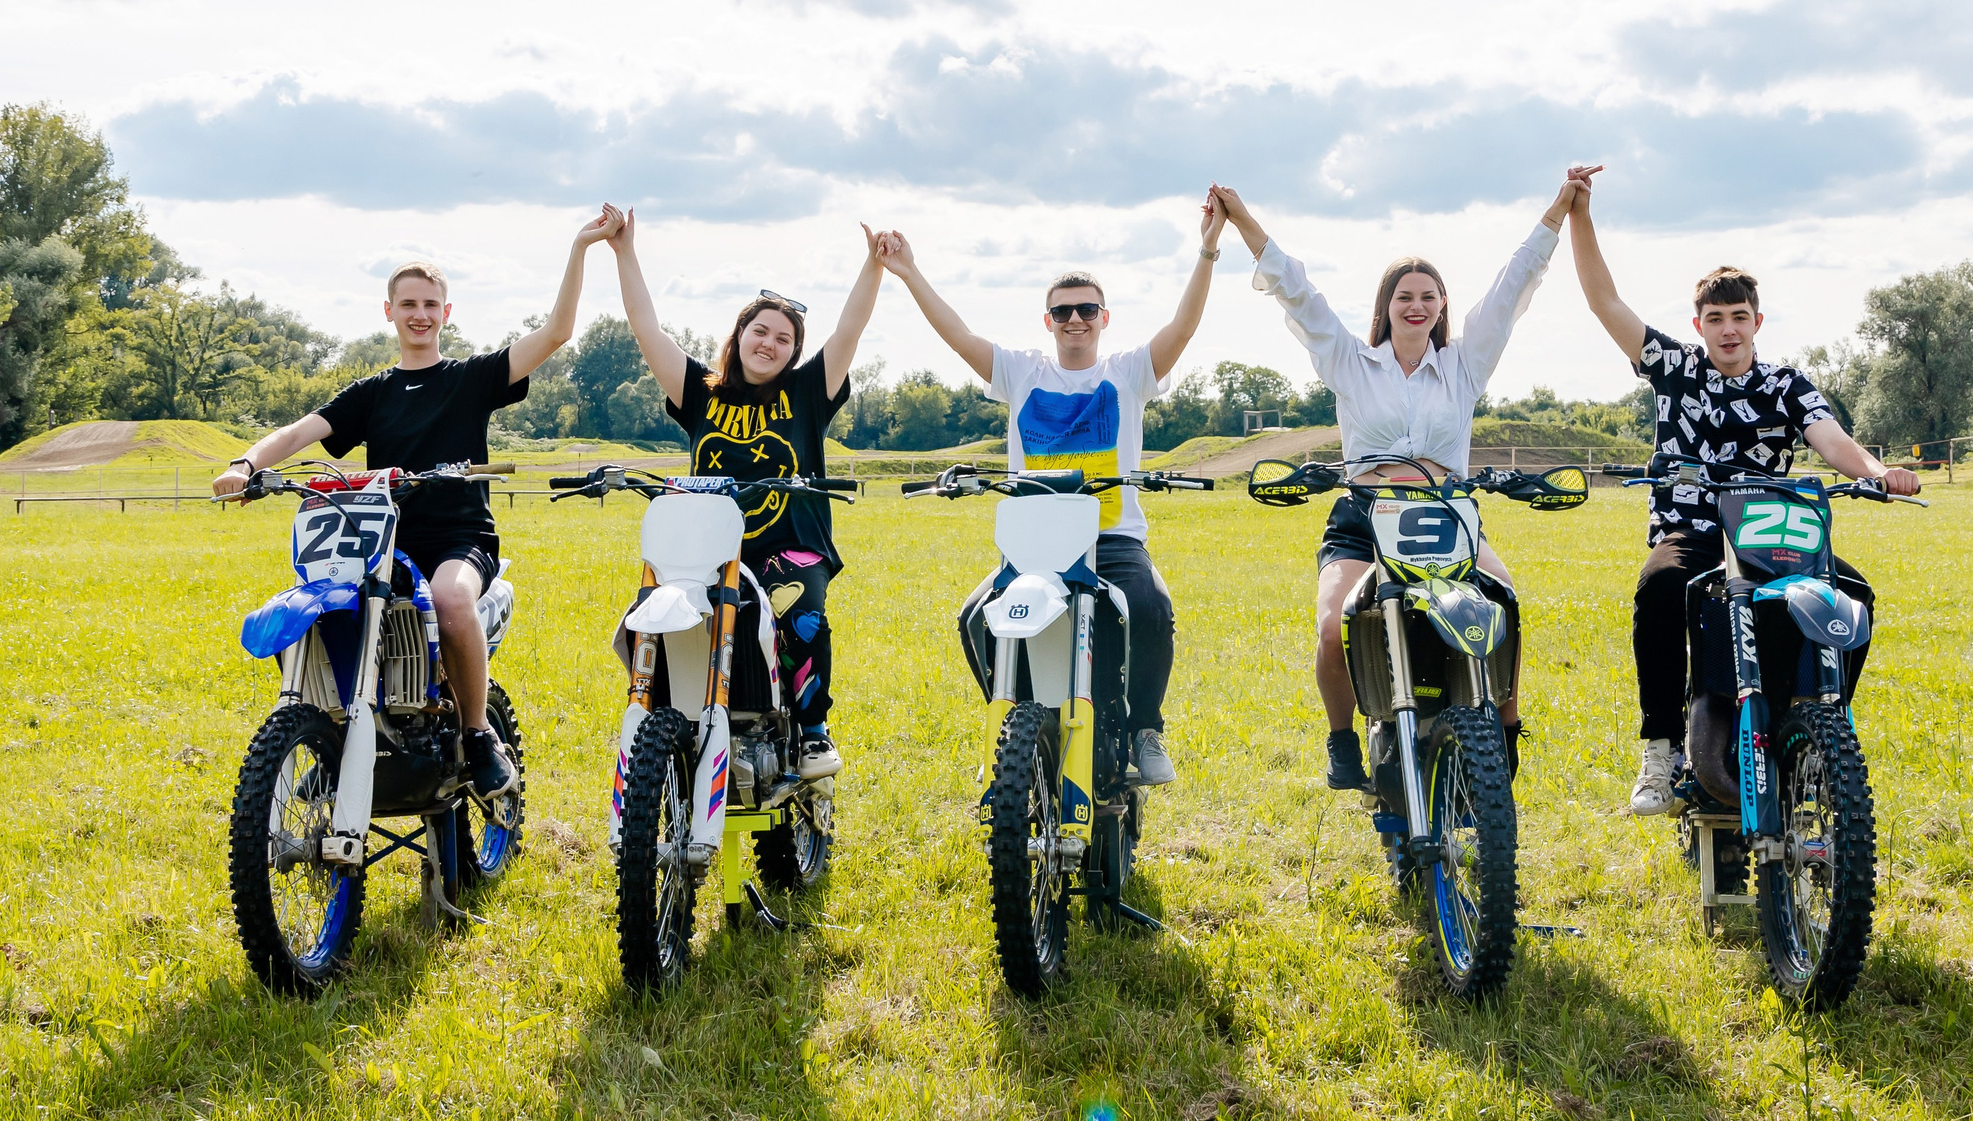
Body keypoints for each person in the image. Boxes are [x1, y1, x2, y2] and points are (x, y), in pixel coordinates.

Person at [1564, 170, 1922, 815]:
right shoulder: (1675, 368)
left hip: (1769, 535)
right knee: (1660, 587)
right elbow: (1603, 301)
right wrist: (1580, 215)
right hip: (1693, 530)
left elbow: (1833, 441)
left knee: (1854, 596)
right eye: (1715, 319)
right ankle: (1663, 750)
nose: (1727, 330)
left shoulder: (1786, 384)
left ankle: (1817, 730)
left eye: (1738, 318)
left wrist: (1876, 473)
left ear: (1757, 321)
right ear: (1698, 324)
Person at [213, 214, 601, 803]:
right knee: (319, 611)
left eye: (430, 304)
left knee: (450, 598)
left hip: (459, 539)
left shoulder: (471, 379)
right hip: (382, 542)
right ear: (389, 311)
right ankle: (335, 737)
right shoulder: (372, 392)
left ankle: (478, 735)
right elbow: (298, 432)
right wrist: (245, 464)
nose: (420, 314)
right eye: (409, 304)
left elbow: (556, 333)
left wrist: (579, 247)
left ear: (447, 313)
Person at [1212, 178, 1578, 791]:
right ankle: (1342, 740)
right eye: (1404, 296)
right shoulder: (1351, 362)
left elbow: (1512, 286)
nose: (1416, 306)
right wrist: (1243, 219)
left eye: (1428, 296)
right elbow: (1296, 292)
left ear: (1442, 305)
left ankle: (1507, 726)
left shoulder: (1464, 365)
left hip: (1446, 517)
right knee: (1334, 626)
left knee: (1504, 604)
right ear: (1385, 305)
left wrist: (1557, 211)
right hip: (1365, 517)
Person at [872, 204, 1222, 784]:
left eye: (1086, 309)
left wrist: (1207, 249)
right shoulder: (1022, 372)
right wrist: (909, 272)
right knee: (975, 619)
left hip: (1112, 539)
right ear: (1048, 321)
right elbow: (958, 335)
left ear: (1104, 317)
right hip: (1035, 544)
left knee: (1152, 608)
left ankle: (1144, 730)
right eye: (1063, 311)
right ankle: (1015, 721)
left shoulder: (1128, 372)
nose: (1074, 319)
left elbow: (1182, 328)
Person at [603, 206, 884, 780]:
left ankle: (812, 730)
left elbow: (849, 331)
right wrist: (624, 252)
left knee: (801, 614)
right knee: (648, 621)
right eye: (761, 331)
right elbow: (646, 329)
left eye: (784, 338)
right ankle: (665, 721)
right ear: (740, 334)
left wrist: (874, 266)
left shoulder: (807, 393)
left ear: (794, 352)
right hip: (706, 551)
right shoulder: (701, 392)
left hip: (789, 547)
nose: (770, 343)